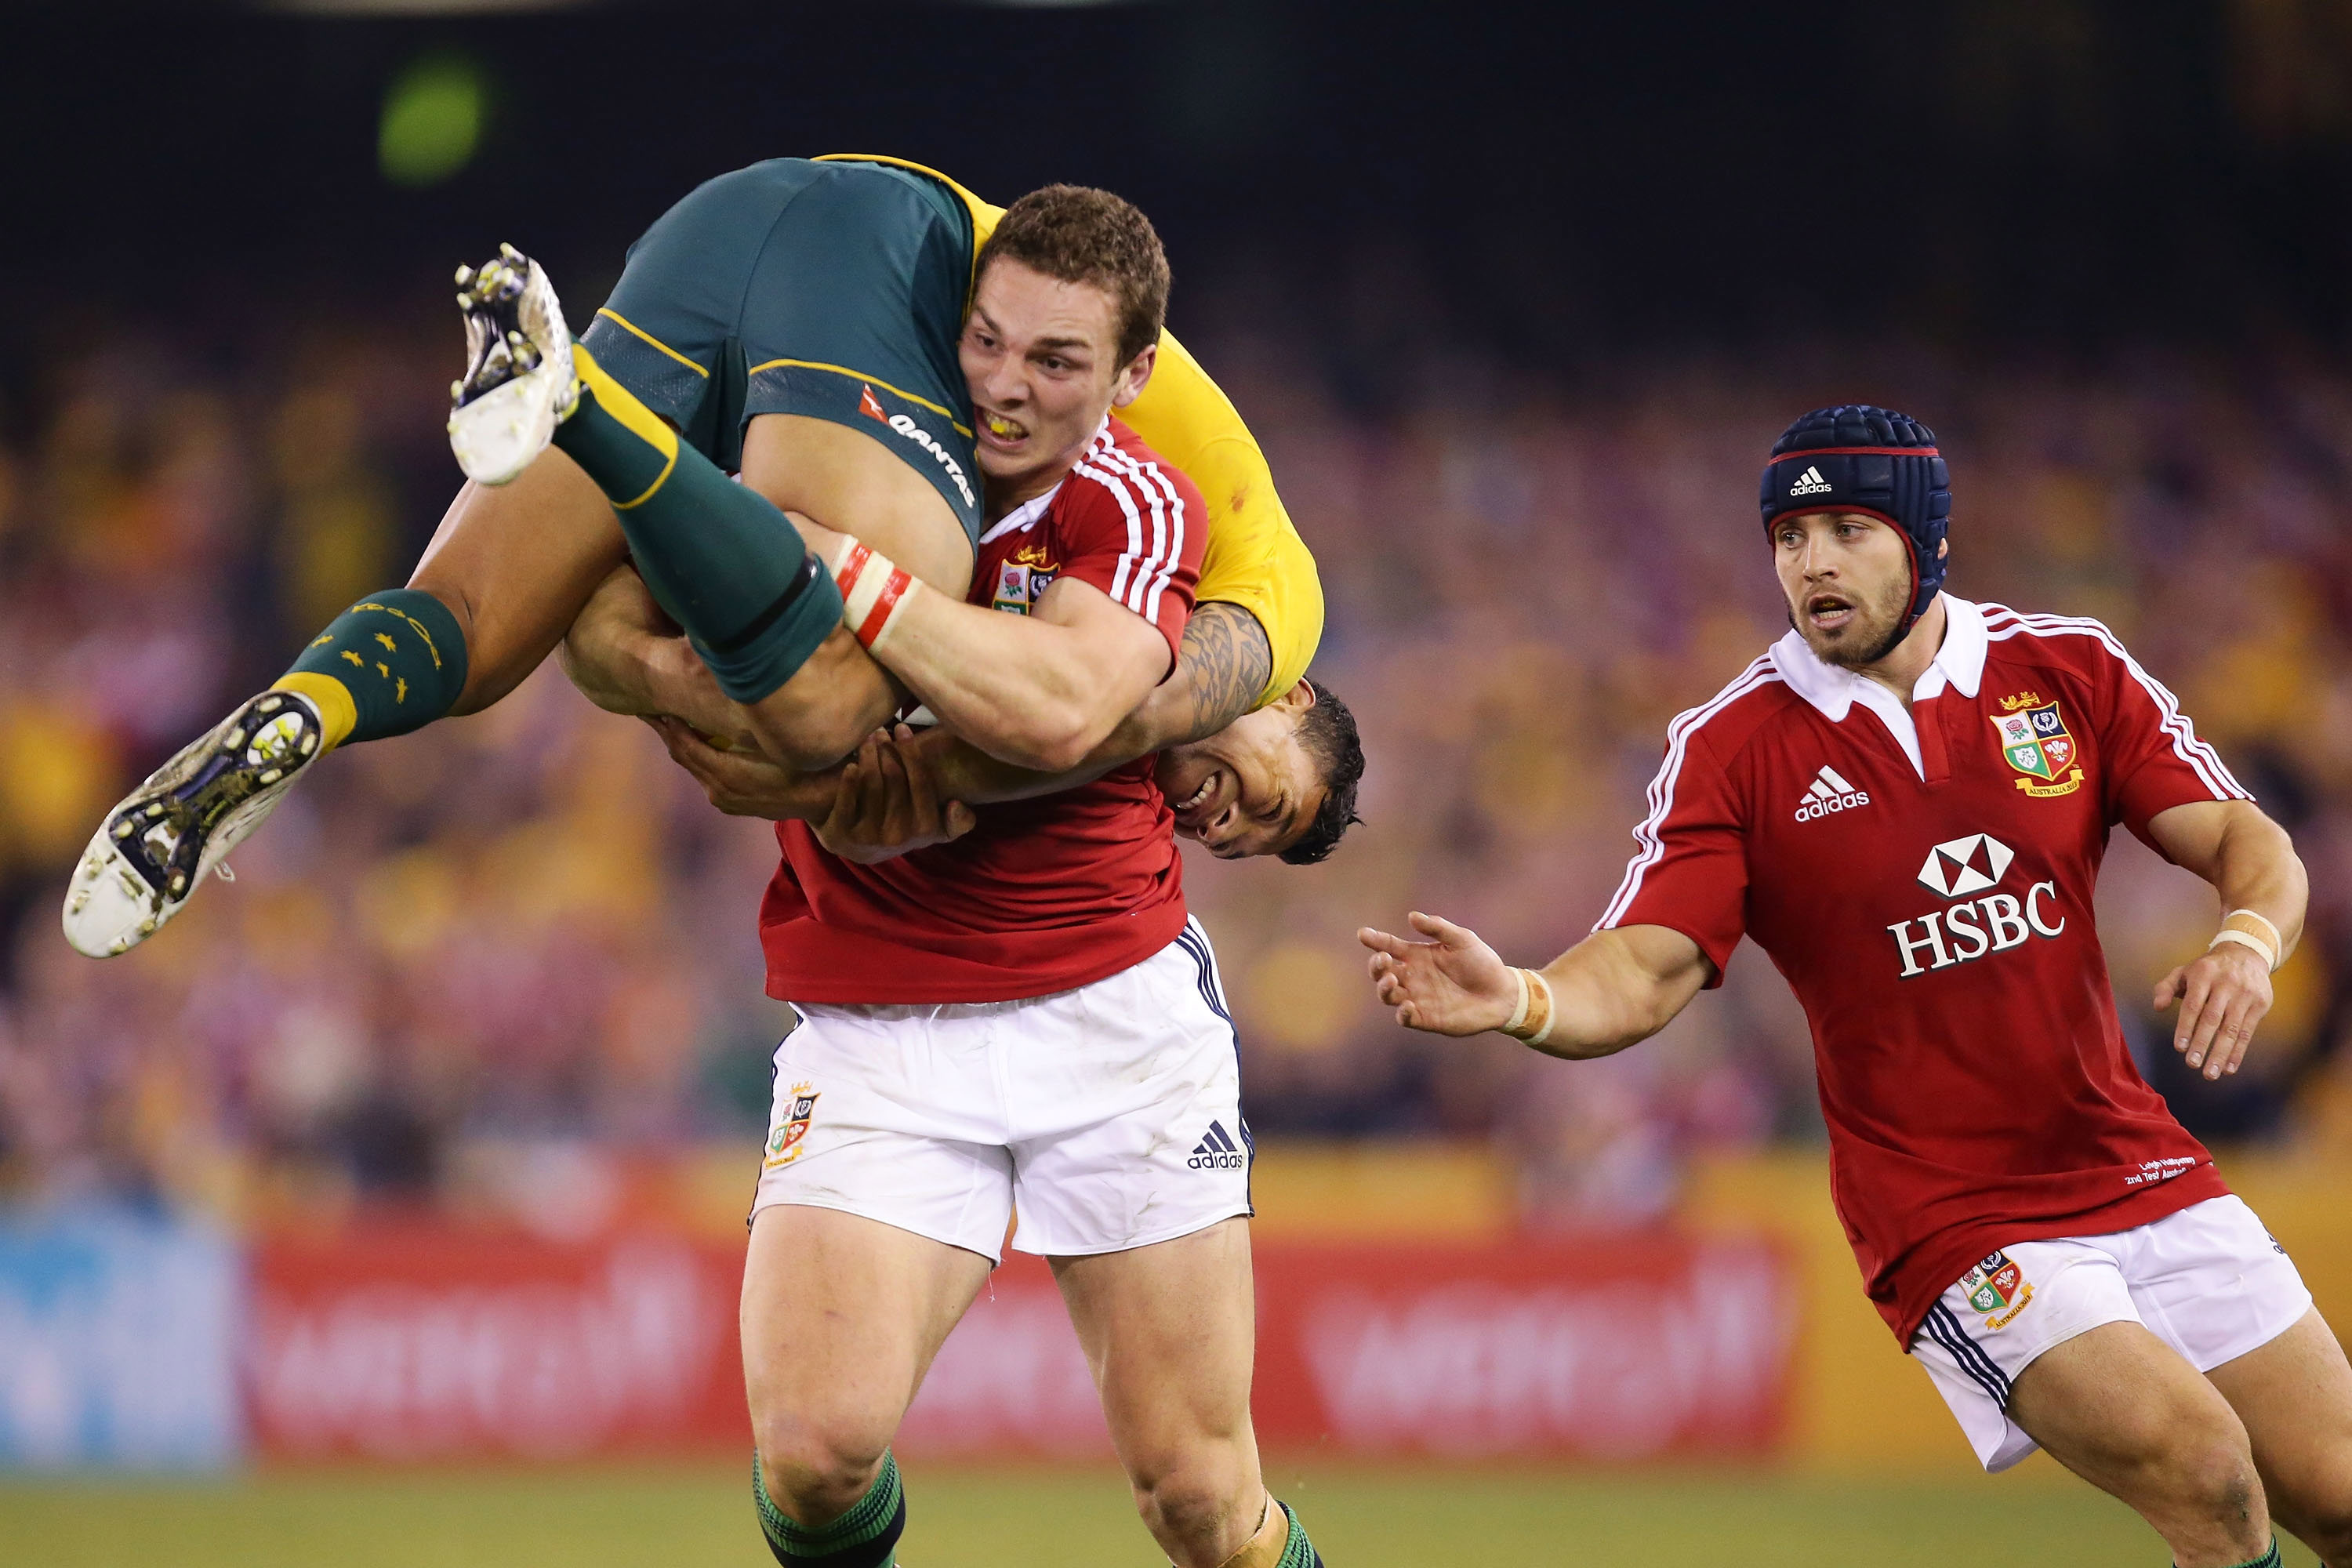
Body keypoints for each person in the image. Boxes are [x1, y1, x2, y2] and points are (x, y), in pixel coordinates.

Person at [1358, 406, 2350, 1568]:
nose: (1810, 561)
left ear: (1923, 539)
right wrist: (1524, 998)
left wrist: (2243, 940)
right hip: (1957, 1218)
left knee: (2337, 1492)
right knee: (2206, 1470)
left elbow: (2250, 844)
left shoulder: (2065, 669)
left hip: (2139, 1166)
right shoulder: (1735, 745)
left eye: (1845, 528)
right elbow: (1650, 962)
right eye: (1788, 535)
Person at [565, 186, 1325, 1568]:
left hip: (1110, 1019)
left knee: (1202, 1506)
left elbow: (1062, 703)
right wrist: (715, 702)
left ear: (1134, 379)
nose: (1006, 388)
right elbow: (598, 626)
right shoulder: (834, 434)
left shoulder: (1136, 499)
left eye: (1058, 362)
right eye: (986, 342)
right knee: (809, 1462)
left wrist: (832, 580)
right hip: (877, 1023)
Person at [63, 154, 1343, 959]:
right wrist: (864, 780)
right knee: (830, 703)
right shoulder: (1267, 597)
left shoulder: (1064, 491)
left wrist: (647, 675)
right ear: (1288, 700)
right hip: (879, 257)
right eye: (1264, 798)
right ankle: (582, 405)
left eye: (1236, 842)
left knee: (474, 632)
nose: (1210, 814)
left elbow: (603, 636)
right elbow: (1090, 717)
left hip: (727, 225)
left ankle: (302, 709)